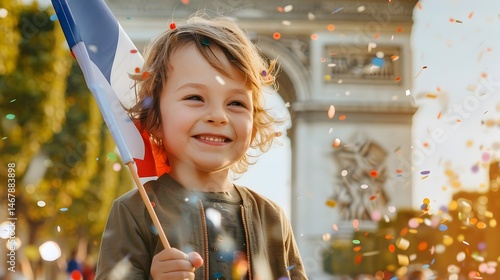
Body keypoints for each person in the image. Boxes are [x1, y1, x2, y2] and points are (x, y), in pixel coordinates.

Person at [94, 13, 307, 280]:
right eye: (195, 97)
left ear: (254, 123)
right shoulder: (133, 212)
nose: (218, 116)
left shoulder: (272, 217)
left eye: (237, 103)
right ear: (154, 117)